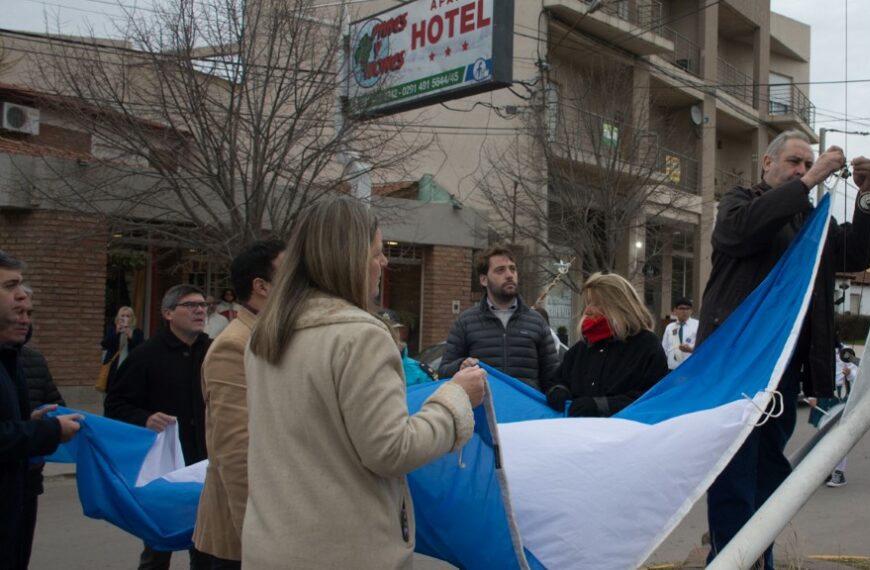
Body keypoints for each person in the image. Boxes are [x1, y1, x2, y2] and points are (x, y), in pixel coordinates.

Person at [244, 196, 485, 568]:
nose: (384, 262)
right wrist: (457, 398)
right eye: (376, 253)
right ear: (349, 259)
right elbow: (392, 450)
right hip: (347, 552)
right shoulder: (360, 336)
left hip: (272, 547)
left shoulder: (266, 334)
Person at [697, 131, 870, 566]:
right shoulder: (739, 202)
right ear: (767, 162)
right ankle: (730, 557)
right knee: (734, 469)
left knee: (770, 470)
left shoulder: (808, 219)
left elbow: (854, 253)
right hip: (737, 361)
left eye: (807, 164)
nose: (802, 170)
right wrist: (809, 181)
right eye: (795, 161)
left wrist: (867, 197)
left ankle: (760, 557)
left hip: (783, 364)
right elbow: (741, 233)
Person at [104, 284, 213, 570]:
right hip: (165, 467)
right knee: (158, 547)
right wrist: (145, 418)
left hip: (207, 464)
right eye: (190, 305)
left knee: (206, 547)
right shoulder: (146, 355)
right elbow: (115, 404)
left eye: (203, 305)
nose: (200, 311)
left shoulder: (214, 352)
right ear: (168, 313)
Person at [192, 239, 285, 569]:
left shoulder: (273, 335)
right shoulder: (233, 345)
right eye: (290, 272)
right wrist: (259, 538)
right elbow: (236, 451)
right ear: (261, 286)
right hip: (240, 539)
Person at [0, 251, 83, 570]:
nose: (22, 295)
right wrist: (47, 431)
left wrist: (31, 424)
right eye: (11, 286)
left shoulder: (12, 359)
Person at [542, 273, 669, 417]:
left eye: (596, 304)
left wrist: (601, 406)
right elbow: (557, 380)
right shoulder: (580, 349)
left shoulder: (646, 345)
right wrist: (558, 390)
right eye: (587, 303)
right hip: (580, 429)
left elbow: (654, 398)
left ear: (619, 305)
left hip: (627, 429)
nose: (588, 310)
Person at [438, 246, 560, 390]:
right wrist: (461, 366)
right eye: (500, 270)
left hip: (524, 404)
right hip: (482, 403)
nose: (509, 275)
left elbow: (553, 378)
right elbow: (443, 373)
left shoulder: (536, 322)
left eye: (512, 269)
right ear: (484, 280)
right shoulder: (465, 322)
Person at [807, 348, 858, 488]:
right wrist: (811, 396)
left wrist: (850, 374)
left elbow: (859, 375)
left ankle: (839, 472)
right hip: (824, 396)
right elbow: (813, 373)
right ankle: (828, 469)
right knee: (823, 436)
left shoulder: (846, 352)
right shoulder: (819, 347)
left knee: (838, 436)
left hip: (841, 396)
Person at [100, 306, 145, 388]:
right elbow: (105, 344)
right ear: (118, 318)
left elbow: (141, 349)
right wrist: (116, 332)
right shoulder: (112, 329)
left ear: (132, 318)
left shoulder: (138, 332)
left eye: (128, 316)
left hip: (130, 367)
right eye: (123, 316)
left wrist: (131, 337)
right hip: (114, 367)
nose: (125, 318)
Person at [662, 297, 699, 370]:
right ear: (675, 310)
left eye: (687, 309)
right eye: (681, 308)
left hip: (690, 369)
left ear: (691, 311)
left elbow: (704, 348)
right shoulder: (670, 327)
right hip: (671, 370)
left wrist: (691, 350)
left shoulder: (698, 325)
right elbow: (664, 349)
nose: (685, 311)